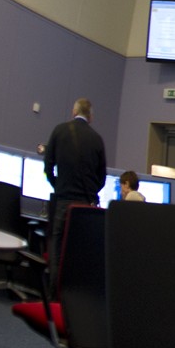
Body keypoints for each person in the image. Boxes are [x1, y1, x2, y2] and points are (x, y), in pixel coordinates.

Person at [43, 98, 106, 258]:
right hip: (85, 205)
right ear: (90, 117)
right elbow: (102, 178)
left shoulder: (59, 131)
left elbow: (48, 167)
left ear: (74, 112)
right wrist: (90, 191)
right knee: (80, 252)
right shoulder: (97, 139)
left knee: (58, 250)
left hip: (63, 200)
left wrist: (58, 186)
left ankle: (54, 283)